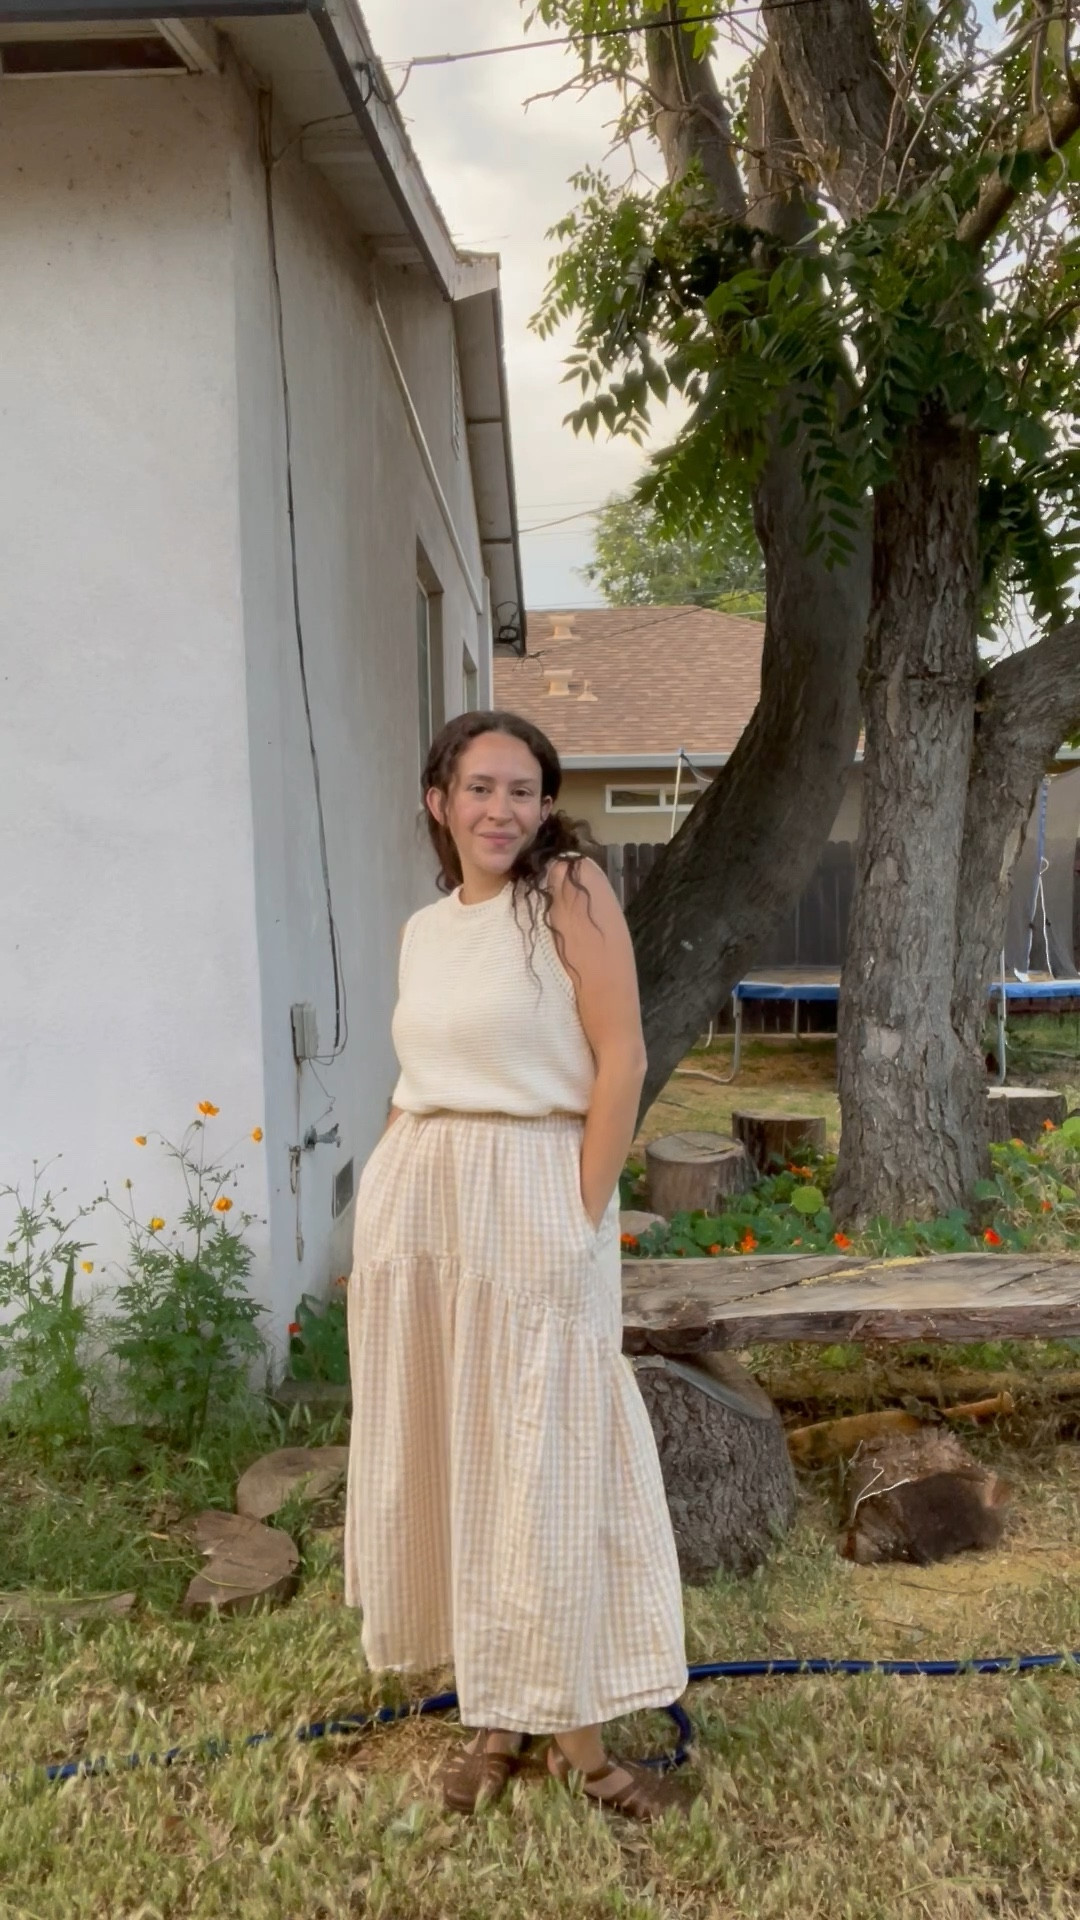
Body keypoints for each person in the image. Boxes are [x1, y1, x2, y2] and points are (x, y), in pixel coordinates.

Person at [343, 709, 689, 1819]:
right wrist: (380, 1211)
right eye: (481, 788)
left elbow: (622, 1058)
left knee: (546, 1459)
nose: (503, 810)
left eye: (524, 790)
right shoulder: (424, 929)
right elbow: (417, 1079)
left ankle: (584, 1751)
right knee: (460, 1451)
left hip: (536, 1185)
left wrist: (580, 1213)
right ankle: (496, 1714)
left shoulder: (569, 892)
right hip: (426, 1201)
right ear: (438, 801)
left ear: (546, 806)